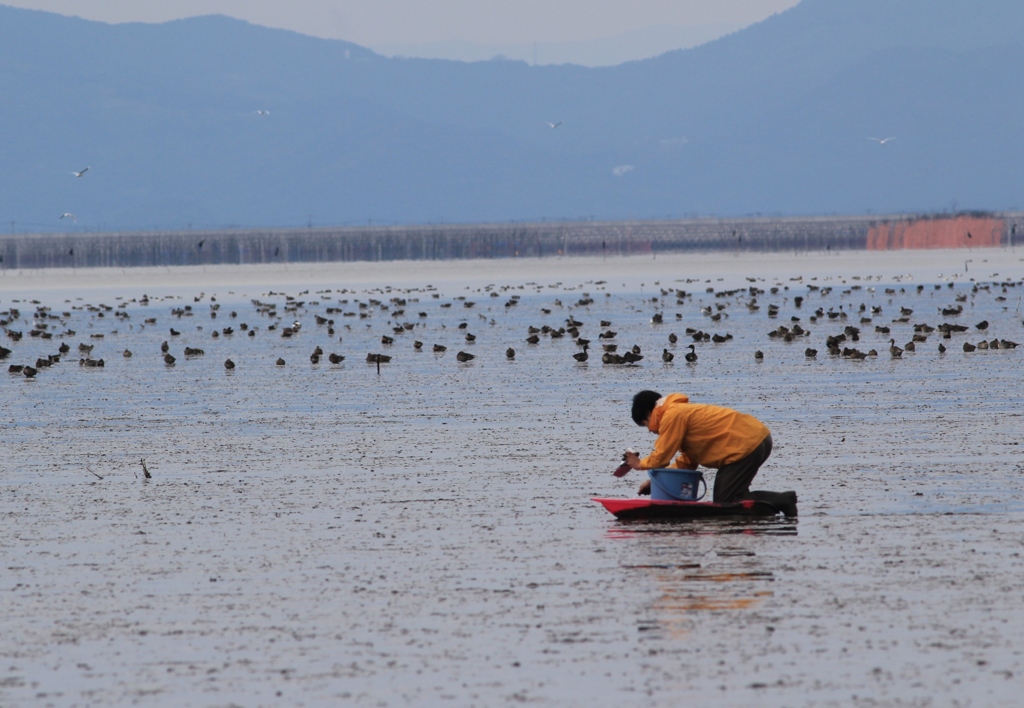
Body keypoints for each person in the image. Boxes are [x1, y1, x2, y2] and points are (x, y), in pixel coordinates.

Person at [622, 390, 797, 516]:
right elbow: (687, 462)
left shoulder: (672, 415)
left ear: (648, 412)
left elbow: (661, 457)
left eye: (646, 424)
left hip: (744, 446)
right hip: (757, 439)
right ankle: (765, 514)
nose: (650, 431)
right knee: (736, 497)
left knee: (726, 503)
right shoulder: (680, 414)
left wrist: (639, 464)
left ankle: (782, 500)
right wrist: (656, 481)